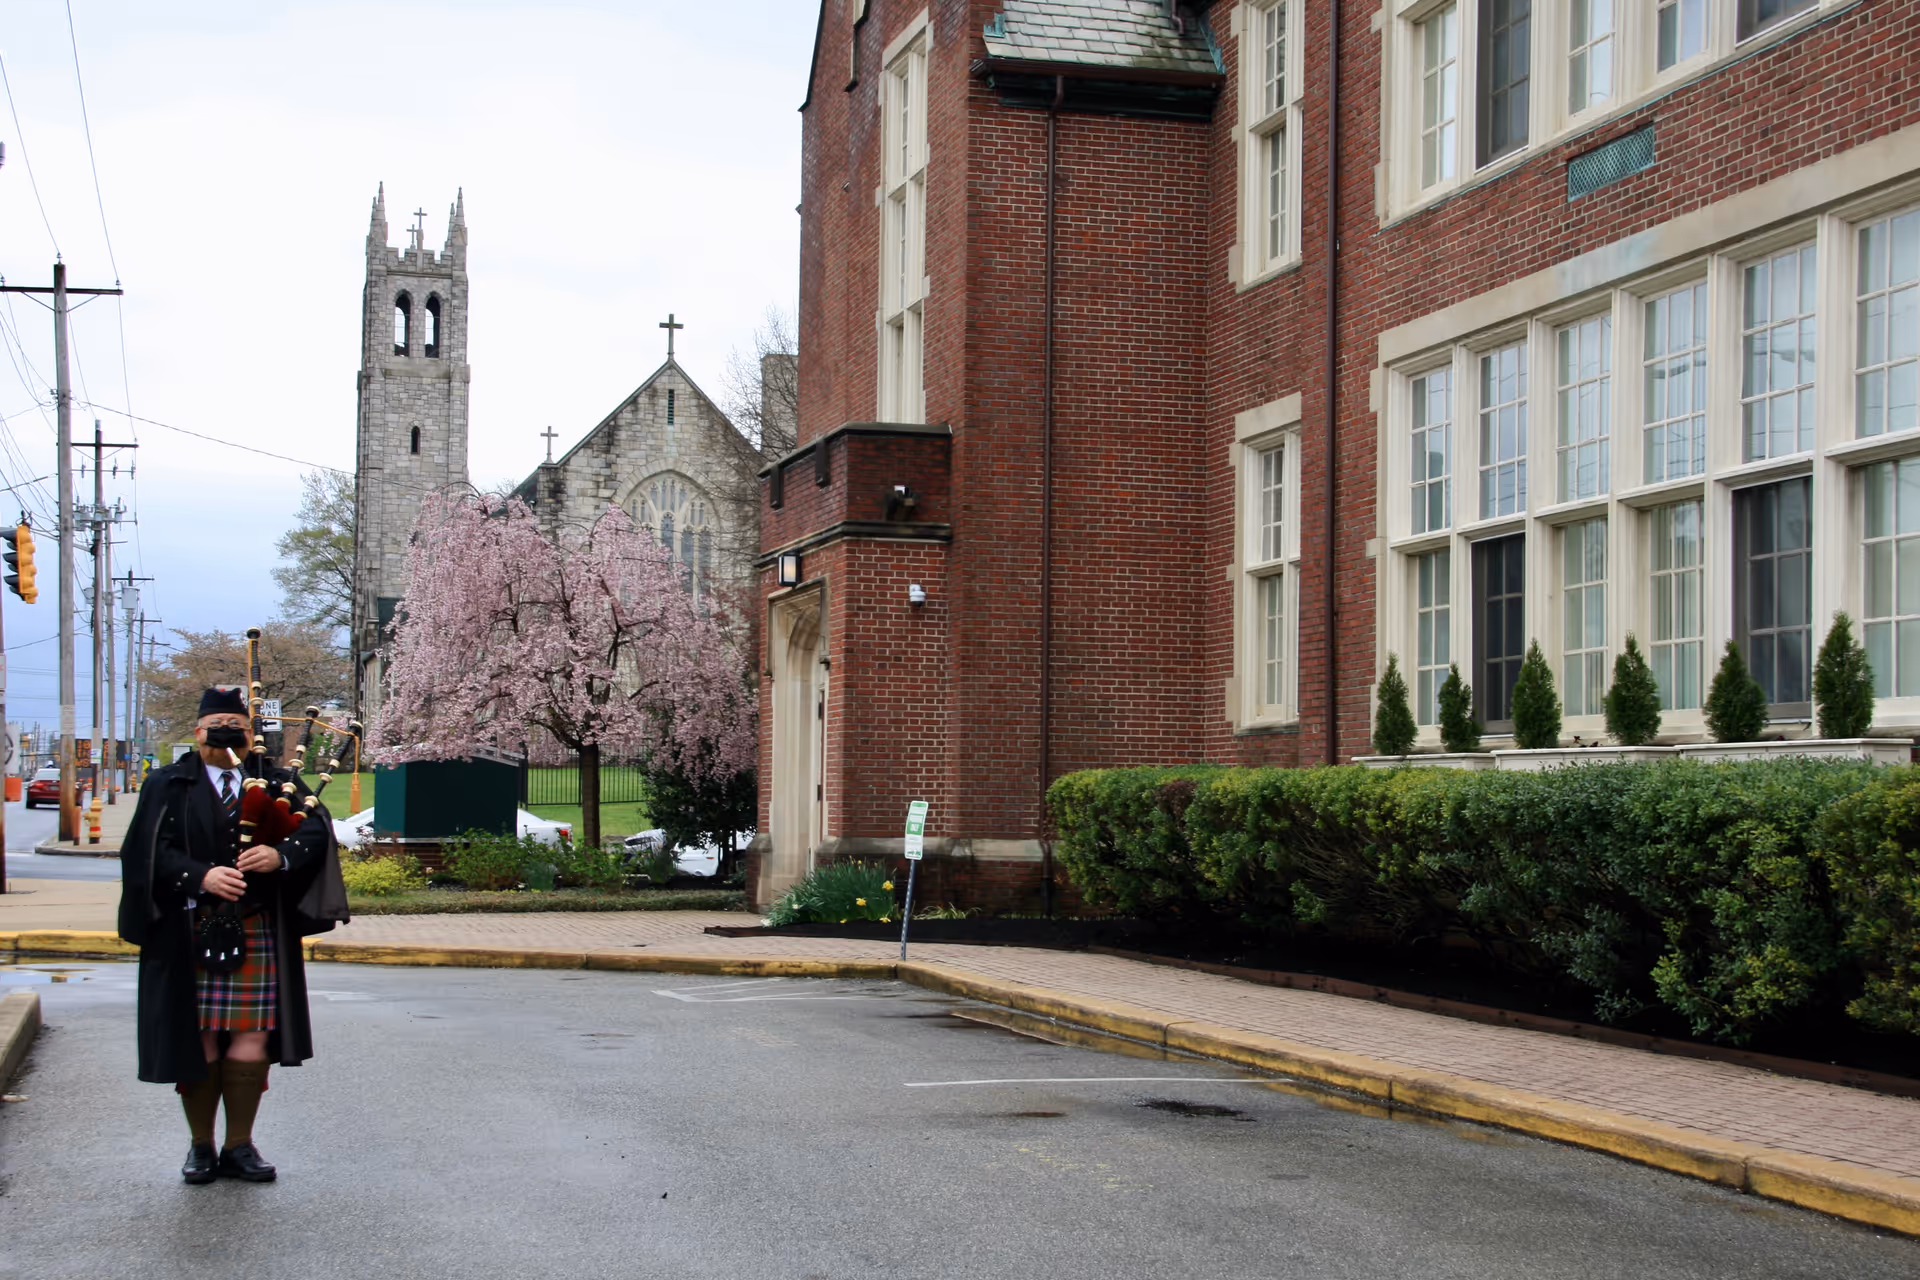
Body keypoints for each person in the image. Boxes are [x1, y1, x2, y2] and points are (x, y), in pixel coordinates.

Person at [118, 686, 344, 1184]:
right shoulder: (168, 783)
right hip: (189, 925)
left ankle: (239, 1145)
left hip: (256, 921)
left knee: (251, 1036)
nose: (227, 731)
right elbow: (148, 850)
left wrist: (279, 856)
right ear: (197, 731)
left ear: (248, 732)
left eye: (236, 724)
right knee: (197, 1036)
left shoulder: (276, 779)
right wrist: (199, 876)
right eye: (216, 722)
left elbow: (314, 830)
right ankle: (201, 1146)